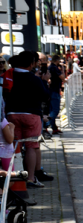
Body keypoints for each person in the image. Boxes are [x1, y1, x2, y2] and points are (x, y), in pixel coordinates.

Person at [5, 51, 49, 188]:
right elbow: (45, 96)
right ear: (31, 64)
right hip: (31, 114)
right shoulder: (34, 79)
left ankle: (15, 177)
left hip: (11, 114)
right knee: (31, 146)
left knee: (13, 145)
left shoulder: (7, 76)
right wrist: (45, 81)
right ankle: (30, 178)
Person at [48, 55, 65, 135]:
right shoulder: (54, 67)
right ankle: (47, 124)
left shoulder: (51, 67)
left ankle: (54, 127)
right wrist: (62, 70)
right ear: (57, 60)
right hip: (54, 90)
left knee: (52, 110)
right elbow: (62, 77)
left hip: (53, 90)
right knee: (55, 110)